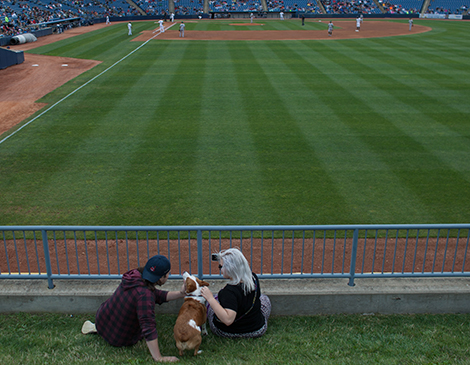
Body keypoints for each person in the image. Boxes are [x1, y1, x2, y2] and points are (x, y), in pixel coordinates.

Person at [81, 255, 185, 363]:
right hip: (117, 338)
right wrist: (159, 358)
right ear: (161, 277)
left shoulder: (135, 276)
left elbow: (156, 295)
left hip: (101, 321)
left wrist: (181, 293)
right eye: (168, 273)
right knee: (146, 323)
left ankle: (98, 329)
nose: (168, 276)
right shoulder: (145, 296)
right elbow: (148, 327)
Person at [201, 248, 271, 338]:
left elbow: (228, 320)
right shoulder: (253, 278)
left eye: (220, 266)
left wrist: (210, 298)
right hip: (257, 329)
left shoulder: (228, 292)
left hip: (226, 332)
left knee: (213, 304)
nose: (219, 269)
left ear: (231, 269)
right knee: (264, 299)